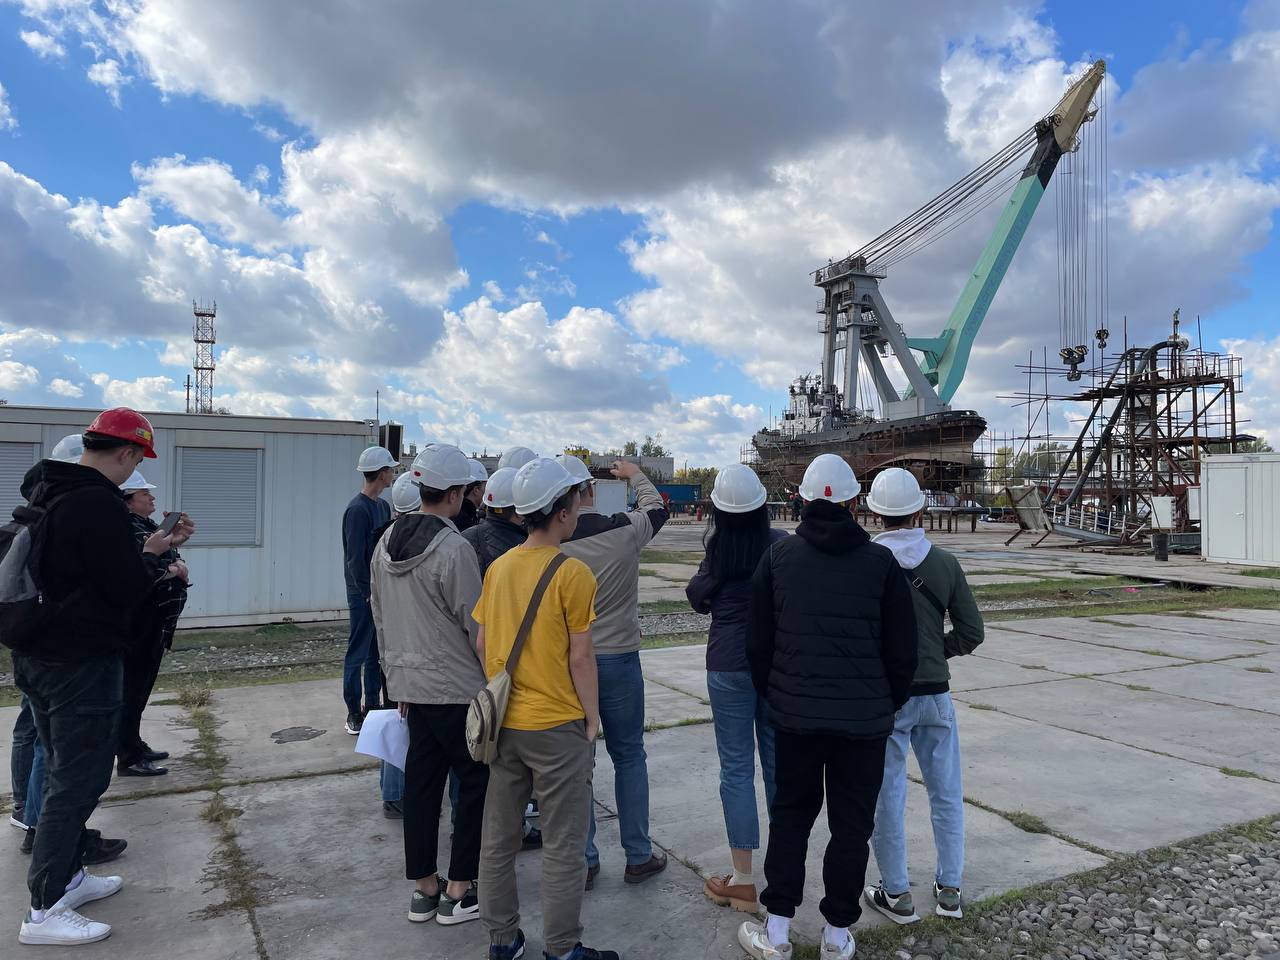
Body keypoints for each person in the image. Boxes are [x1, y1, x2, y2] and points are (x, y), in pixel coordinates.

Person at [738, 454, 918, 960]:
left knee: (791, 817)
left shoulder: (778, 559)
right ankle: (837, 935)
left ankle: (777, 931)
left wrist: (777, 695)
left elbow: (757, 643)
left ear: (801, 499)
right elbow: (903, 651)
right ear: (855, 503)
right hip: (863, 725)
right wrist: (883, 702)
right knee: (851, 826)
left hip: (795, 720)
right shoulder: (881, 564)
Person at [13, 408, 182, 946]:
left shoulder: (49, 491)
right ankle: (43, 909)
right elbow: (125, 586)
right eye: (136, 460)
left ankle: (67, 878)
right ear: (127, 453)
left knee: (60, 770)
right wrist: (153, 555)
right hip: (80, 662)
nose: (134, 471)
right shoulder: (97, 503)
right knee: (77, 781)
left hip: (39, 655)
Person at [476, 458, 618, 960]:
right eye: (575, 502)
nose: (579, 510)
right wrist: (591, 718)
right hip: (557, 726)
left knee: (499, 838)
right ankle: (561, 948)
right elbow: (581, 657)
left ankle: (503, 940)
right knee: (563, 842)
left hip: (504, 725)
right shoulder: (572, 573)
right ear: (560, 512)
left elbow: (482, 643)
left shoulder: (498, 568)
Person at [370, 444, 489, 926]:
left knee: (421, 785)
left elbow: (380, 615)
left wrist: (394, 680)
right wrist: (495, 680)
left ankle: (424, 888)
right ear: (456, 494)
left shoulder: (385, 541)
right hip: (456, 687)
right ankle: (459, 889)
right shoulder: (454, 548)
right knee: (475, 782)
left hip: (411, 687)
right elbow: (476, 624)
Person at [863, 469, 984, 924]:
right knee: (946, 792)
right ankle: (950, 890)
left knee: (888, 797)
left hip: (886, 697)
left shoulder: (867, 563)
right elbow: (972, 632)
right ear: (919, 510)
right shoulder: (945, 563)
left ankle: (896, 893)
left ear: (875, 513)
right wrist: (937, 652)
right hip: (935, 694)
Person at [559, 454, 668, 887]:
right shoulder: (625, 531)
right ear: (589, 490)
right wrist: (635, 474)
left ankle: (585, 861)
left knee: (578, 765)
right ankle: (638, 854)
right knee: (630, 757)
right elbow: (656, 509)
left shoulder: (553, 545)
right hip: (621, 658)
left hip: (571, 663)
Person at [686, 465, 786, 914]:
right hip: (775, 665)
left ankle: (743, 879)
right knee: (778, 766)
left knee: (737, 770)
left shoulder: (718, 549)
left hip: (728, 664)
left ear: (719, 511)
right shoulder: (781, 546)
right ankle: (783, 872)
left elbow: (696, 596)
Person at [116, 470, 192, 778]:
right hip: (140, 623)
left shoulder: (147, 527)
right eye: (144, 494)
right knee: (131, 689)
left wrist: (176, 552)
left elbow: (165, 558)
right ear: (128, 501)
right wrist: (175, 569)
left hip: (156, 621)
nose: (151, 498)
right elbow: (142, 572)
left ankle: (134, 743)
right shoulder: (127, 529)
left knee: (140, 688)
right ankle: (128, 755)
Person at [342, 446, 397, 735]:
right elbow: (354, 558)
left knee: (377, 651)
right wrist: (366, 591)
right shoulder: (357, 510)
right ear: (382, 473)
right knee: (358, 651)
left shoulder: (383, 507)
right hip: (362, 593)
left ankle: (373, 705)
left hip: (379, 590)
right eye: (391, 469)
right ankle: (354, 711)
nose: (393, 473)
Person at [455, 459, 489, 533]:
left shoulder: (455, 514)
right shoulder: (466, 522)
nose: (487, 490)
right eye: (486, 486)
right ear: (476, 490)